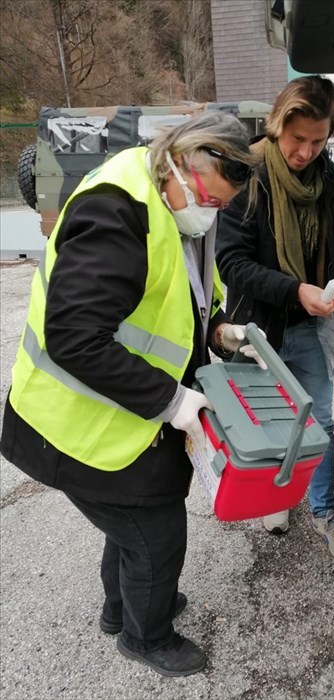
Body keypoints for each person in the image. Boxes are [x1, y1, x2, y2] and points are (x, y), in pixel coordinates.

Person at [0, 111, 264, 677]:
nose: (211, 210)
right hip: (71, 421)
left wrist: (218, 329)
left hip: (120, 411)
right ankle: (147, 636)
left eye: (222, 204)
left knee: (134, 518)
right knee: (154, 532)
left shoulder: (182, 210)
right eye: (207, 197)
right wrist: (172, 401)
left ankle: (121, 609)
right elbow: (73, 337)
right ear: (177, 161)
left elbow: (183, 294)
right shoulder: (115, 210)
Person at [216, 75, 334, 562]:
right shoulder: (248, 175)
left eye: (317, 140)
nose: (304, 151)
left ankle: (323, 510)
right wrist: (293, 291)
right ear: (277, 124)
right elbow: (232, 263)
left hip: (311, 328)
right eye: (296, 138)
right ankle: (275, 498)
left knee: (316, 422)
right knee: (266, 420)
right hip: (255, 331)